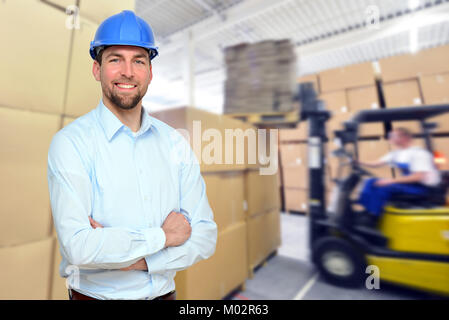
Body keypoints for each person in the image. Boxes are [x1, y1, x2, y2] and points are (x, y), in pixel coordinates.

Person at [47, 11, 217, 300]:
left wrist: (132, 261)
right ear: (96, 70)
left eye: (138, 60)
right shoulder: (71, 144)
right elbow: (78, 247)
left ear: (150, 73)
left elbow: (204, 236)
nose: (128, 71)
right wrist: (164, 237)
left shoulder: (175, 144)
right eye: (115, 59)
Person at [357, 127, 441, 225]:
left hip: (420, 188)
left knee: (383, 188)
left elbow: (418, 177)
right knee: (370, 181)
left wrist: (391, 181)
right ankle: (367, 211)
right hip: (408, 185)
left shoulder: (419, 153)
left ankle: (373, 217)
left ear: (405, 137)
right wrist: (358, 162)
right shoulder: (397, 153)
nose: (390, 138)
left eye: (393, 136)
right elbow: (377, 163)